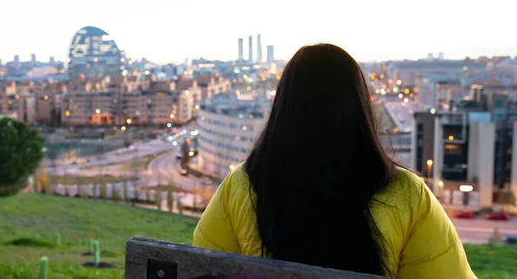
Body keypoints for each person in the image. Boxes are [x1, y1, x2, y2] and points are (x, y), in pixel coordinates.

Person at [193, 44, 475, 278]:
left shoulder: (241, 185)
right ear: (360, 108)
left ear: (283, 107)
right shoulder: (407, 194)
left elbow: (204, 266)